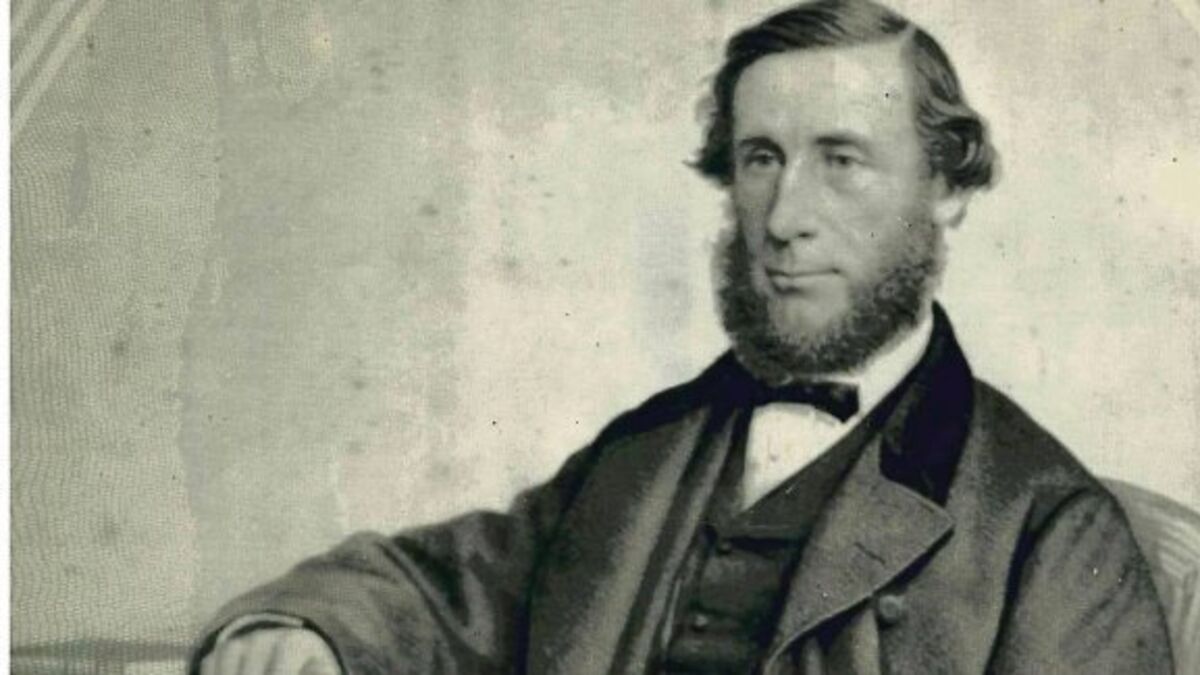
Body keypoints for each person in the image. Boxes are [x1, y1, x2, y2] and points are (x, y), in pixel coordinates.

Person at [193, 1, 1174, 673]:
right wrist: (303, 629)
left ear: (947, 190)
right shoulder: (648, 453)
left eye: (841, 161)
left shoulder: (1050, 531)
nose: (785, 216)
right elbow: (457, 585)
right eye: (761, 160)